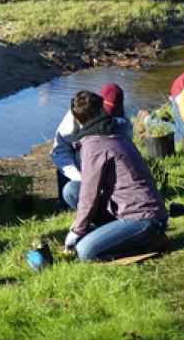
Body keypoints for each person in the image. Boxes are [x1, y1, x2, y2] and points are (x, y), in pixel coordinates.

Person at [62, 91, 168, 262]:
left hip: (145, 218)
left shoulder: (94, 146)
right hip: (127, 208)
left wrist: (76, 231)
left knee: (85, 252)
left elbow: (90, 195)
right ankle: (112, 235)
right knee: (72, 189)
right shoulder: (117, 129)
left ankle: (148, 243)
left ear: (79, 120)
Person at [52, 83, 132, 211]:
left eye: (114, 115)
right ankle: (68, 205)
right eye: (107, 114)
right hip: (77, 171)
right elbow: (60, 151)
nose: (110, 119)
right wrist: (80, 178)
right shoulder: (77, 115)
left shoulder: (123, 121)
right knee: (71, 191)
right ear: (100, 105)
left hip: (107, 174)